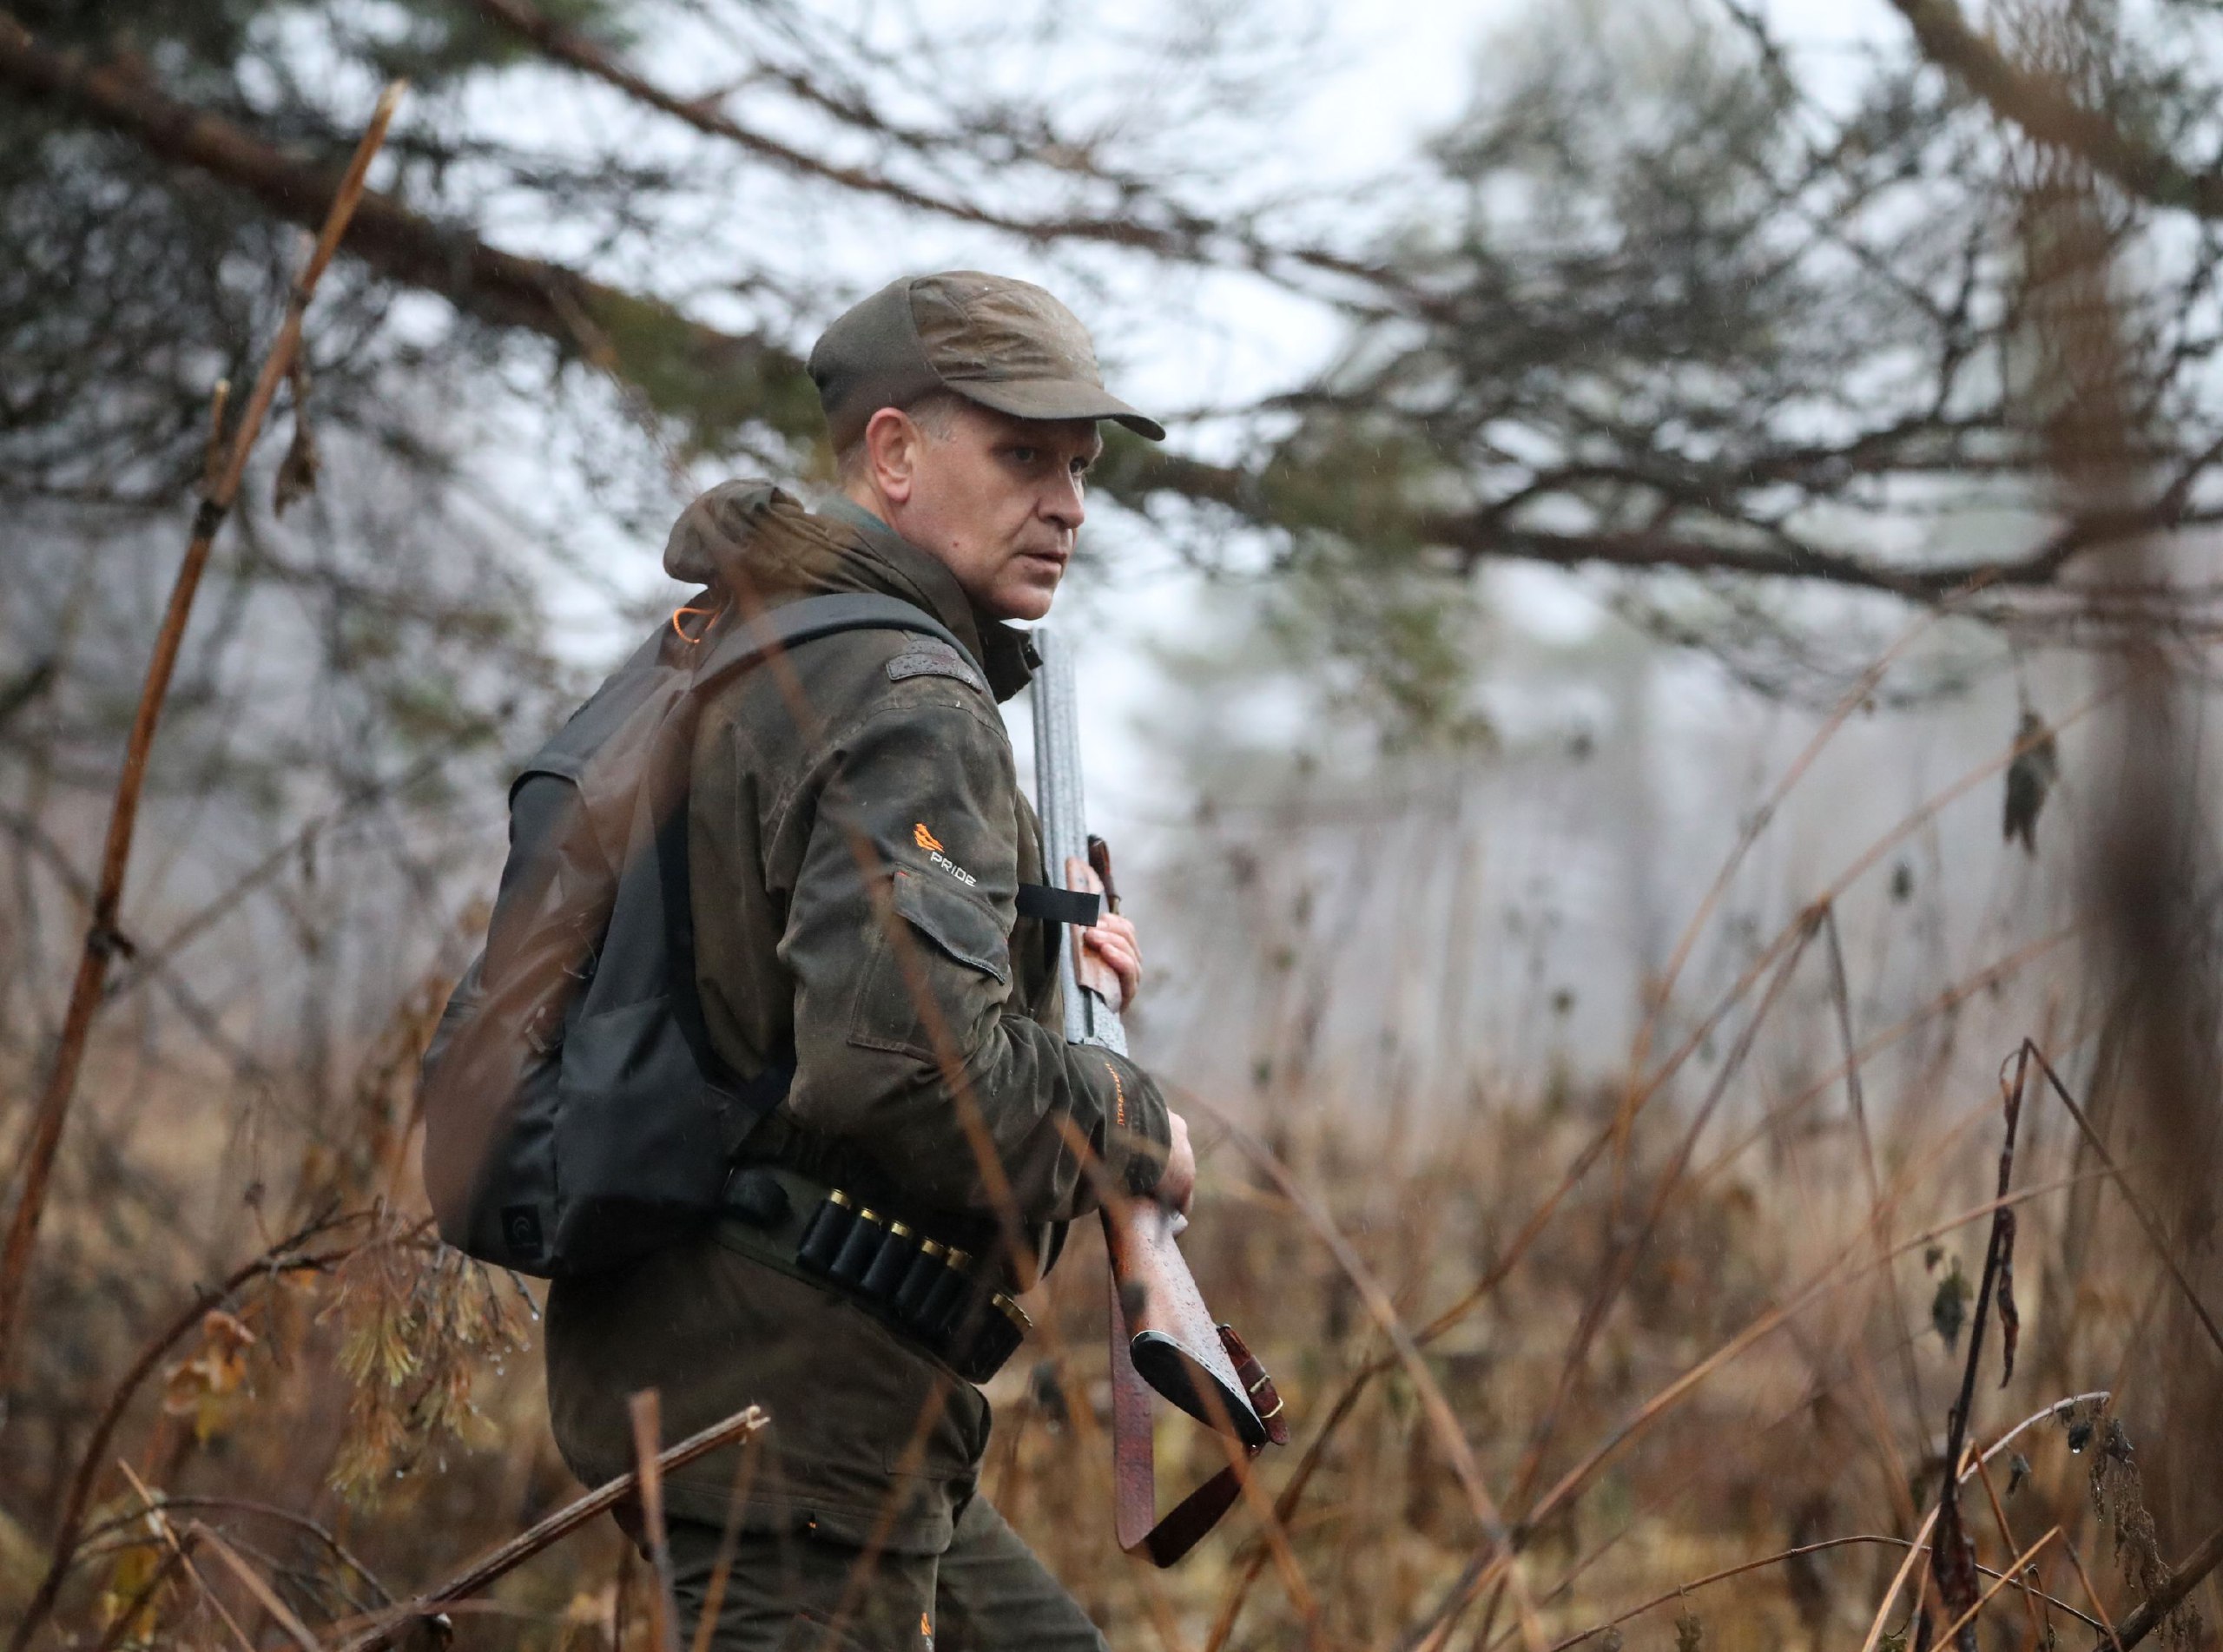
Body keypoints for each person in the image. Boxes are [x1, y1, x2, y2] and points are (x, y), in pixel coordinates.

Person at [542, 271, 1196, 1650]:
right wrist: (1138, 1128)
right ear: (893, 454)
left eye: (1079, 468)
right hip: (793, 1397)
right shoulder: (905, 687)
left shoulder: (760, 639)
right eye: (1024, 456)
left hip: (773, 1369)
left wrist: (1036, 945)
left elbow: (789, 988)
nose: (1070, 503)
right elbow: (913, 1074)